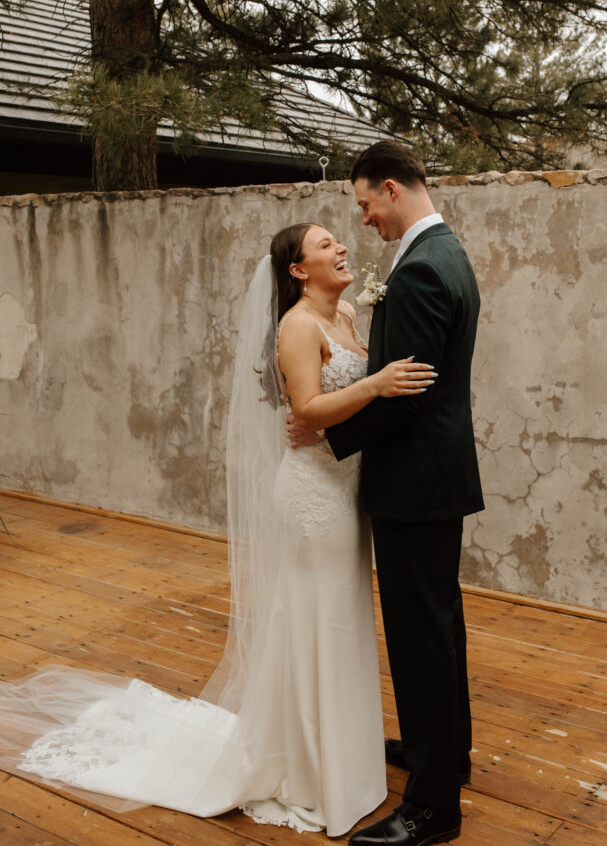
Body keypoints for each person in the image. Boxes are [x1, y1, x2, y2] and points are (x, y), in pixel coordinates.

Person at [0, 222, 433, 836]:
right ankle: (311, 772)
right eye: (325, 245)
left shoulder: (347, 322)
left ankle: (343, 761)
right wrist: (377, 383)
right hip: (314, 496)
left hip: (347, 488)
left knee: (341, 620)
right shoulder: (298, 326)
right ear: (298, 271)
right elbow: (306, 409)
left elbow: (340, 410)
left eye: (339, 239)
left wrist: (371, 392)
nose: (341, 248)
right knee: (318, 620)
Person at [290, 141, 485, 846]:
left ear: (394, 190)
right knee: (437, 626)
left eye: (366, 203)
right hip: (433, 475)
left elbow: (405, 394)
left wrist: (326, 437)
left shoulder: (424, 271)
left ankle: (431, 807)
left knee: (419, 635)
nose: (364, 219)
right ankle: (443, 752)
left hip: (415, 479)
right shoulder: (443, 254)